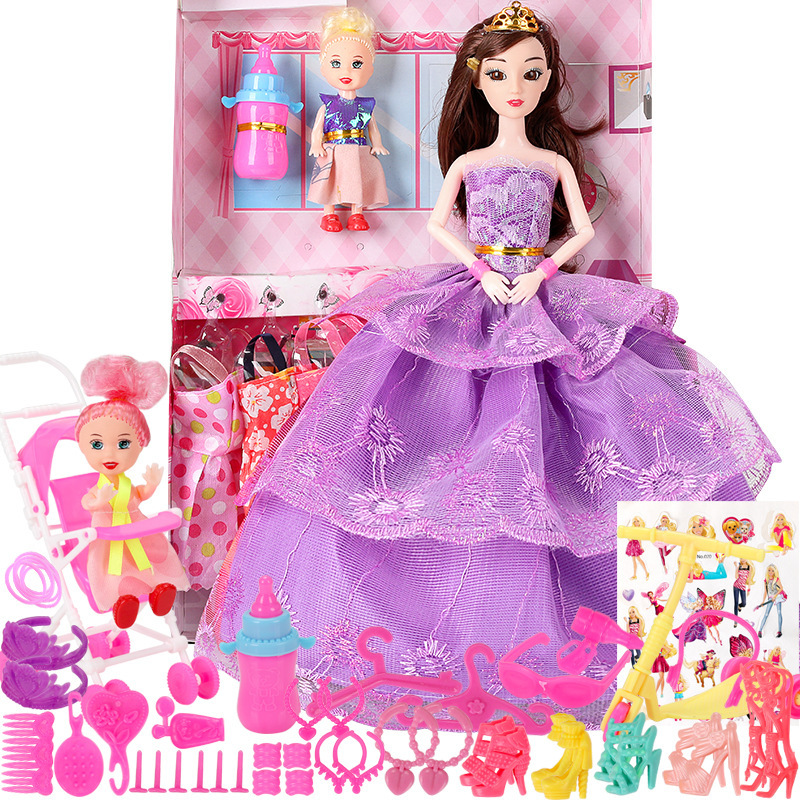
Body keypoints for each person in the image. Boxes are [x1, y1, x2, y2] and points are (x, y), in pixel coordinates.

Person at [198, 3, 777, 719]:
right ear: (477, 80)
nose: (516, 87)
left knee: (577, 432)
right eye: (501, 74)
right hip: (477, 289)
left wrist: (541, 272)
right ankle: (422, 633)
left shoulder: (551, 162)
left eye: (531, 74)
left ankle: (641, 641)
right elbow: (441, 224)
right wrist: (480, 267)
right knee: (422, 429)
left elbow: (580, 230)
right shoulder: (470, 162)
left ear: (548, 80)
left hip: (538, 289)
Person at [76, 355, 189, 629]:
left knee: (149, 562)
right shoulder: (100, 486)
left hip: (137, 534)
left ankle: (159, 592)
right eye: (97, 445)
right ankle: (122, 601)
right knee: (115, 570)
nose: (110, 454)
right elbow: (87, 502)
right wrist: (98, 501)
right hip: (109, 540)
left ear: (140, 444)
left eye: (123, 444)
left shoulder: (126, 484)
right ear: (83, 447)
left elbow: (136, 495)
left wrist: (149, 487)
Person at [308, 7, 389, 232]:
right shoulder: (327, 105)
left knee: (357, 179)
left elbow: (372, 127)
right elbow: (318, 128)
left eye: (357, 64)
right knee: (330, 180)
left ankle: (356, 213)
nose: (347, 71)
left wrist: (377, 144)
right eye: (336, 63)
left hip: (357, 149)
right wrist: (315, 144)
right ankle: (329, 214)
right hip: (332, 149)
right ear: (324, 67)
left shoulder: (365, 106)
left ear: (369, 68)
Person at [756, 564, 786, 638]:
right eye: (769, 570)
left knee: (779, 612)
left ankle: (779, 631)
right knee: (766, 614)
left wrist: (775, 596)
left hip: (777, 597)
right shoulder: (766, 580)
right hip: (770, 597)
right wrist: (763, 601)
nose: (770, 572)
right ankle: (760, 630)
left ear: (775, 572)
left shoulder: (776, 579)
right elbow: (766, 591)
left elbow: (781, 588)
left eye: (772, 571)